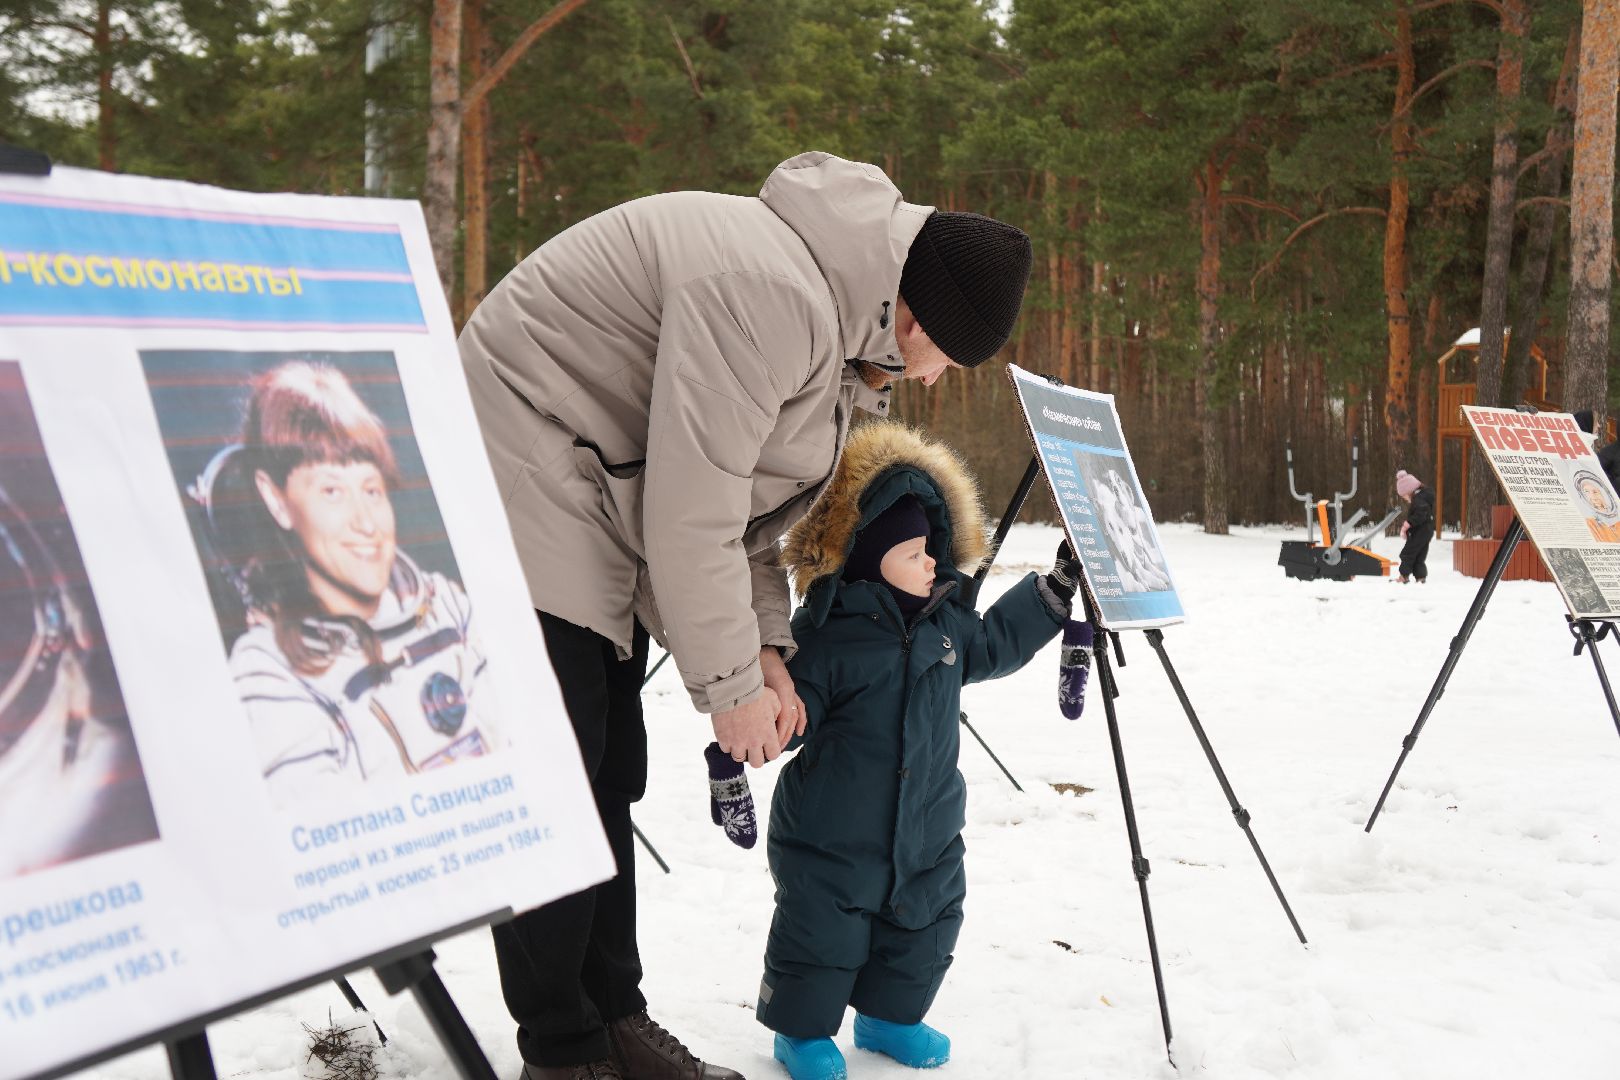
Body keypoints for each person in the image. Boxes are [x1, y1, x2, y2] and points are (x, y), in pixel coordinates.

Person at [458, 151, 1033, 1080]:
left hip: (597, 490)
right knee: (560, 775)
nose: (931, 383)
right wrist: (727, 688)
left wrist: (766, 649)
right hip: (522, 471)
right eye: (946, 360)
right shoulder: (773, 296)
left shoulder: (837, 327)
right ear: (917, 315)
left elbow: (750, 517)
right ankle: (562, 1054)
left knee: (607, 770)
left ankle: (611, 1019)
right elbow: (691, 511)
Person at [756, 422, 1073, 1080]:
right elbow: (795, 702)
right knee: (821, 934)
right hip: (832, 834)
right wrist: (775, 717)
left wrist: (1052, 595)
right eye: (915, 552)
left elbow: (995, 643)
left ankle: (888, 1018)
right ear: (872, 558)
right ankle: (801, 1032)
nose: (933, 563)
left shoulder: (948, 625)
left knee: (924, 926)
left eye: (933, 550)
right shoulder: (828, 636)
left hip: (927, 825)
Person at [208, 361, 497, 806]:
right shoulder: (269, 673)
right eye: (331, 492)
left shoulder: (446, 605)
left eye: (371, 489)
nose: (364, 522)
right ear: (275, 499)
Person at [1395, 469, 1434, 584]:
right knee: (1419, 555)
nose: (1405, 499)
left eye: (1404, 496)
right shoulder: (1423, 497)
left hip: (1420, 531)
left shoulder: (1419, 499)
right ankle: (1420, 577)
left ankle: (1404, 576)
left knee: (1408, 553)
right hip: (1426, 530)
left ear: (1409, 490)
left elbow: (1421, 513)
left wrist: (1408, 523)